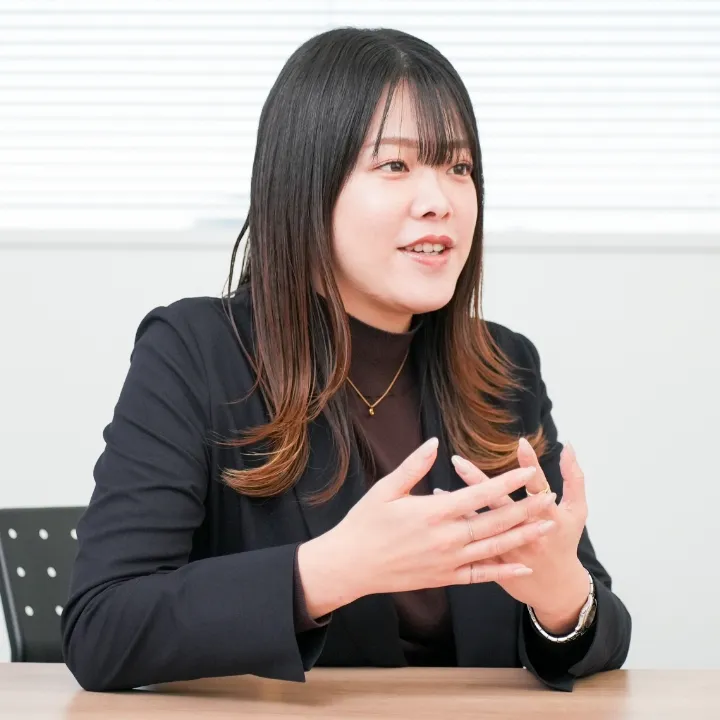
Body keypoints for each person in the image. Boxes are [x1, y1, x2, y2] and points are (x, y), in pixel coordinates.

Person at [61, 27, 631, 693]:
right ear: (306, 186)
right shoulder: (196, 351)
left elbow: (601, 631)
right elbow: (102, 627)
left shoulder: (502, 364)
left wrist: (563, 598)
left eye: (459, 167)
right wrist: (329, 571)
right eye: (395, 166)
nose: (440, 200)